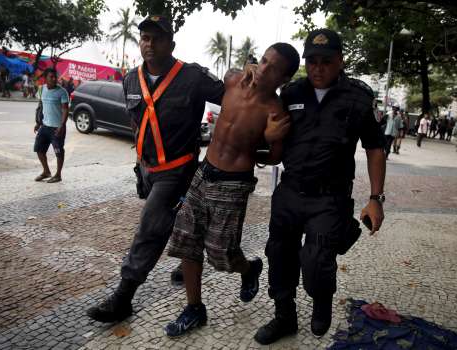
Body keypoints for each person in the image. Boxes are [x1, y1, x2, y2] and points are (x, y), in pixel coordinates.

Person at [86, 15, 225, 323]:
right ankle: (189, 258)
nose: (149, 44)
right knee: (176, 219)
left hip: (178, 169)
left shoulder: (193, 77)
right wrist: (139, 166)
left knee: (150, 228)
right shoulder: (131, 79)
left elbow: (234, 101)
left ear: (171, 44)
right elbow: (138, 125)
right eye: (145, 38)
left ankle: (124, 296)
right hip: (149, 169)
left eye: (157, 38)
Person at [253, 29, 386, 345]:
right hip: (289, 192)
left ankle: (322, 300)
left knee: (316, 262)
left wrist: (375, 198)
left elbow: (375, 147)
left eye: (326, 61)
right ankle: (284, 317)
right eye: (312, 61)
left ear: (340, 61)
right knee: (280, 256)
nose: (318, 68)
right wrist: (265, 137)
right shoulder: (292, 93)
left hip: (330, 197)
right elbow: (266, 133)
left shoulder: (358, 98)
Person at [163, 43, 299, 337]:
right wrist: (241, 69)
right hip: (204, 170)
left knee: (220, 253)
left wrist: (260, 142)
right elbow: (227, 73)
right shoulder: (235, 80)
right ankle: (194, 308)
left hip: (234, 182)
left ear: (284, 79)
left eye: (273, 68)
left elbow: (275, 157)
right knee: (187, 240)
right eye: (263, 61)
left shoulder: (275, 111)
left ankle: (249, 269)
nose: (264, 69)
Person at [33, 68, 69, 183]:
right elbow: (41, 106)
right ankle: (46, 171)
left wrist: (61, 126)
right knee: (39, 149)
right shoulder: (41, 89)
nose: (54, 79)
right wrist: (38, 122)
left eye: (55, 77)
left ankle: (58, 175)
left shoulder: (62, 92)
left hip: (56, 127)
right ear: (45, 78)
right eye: (51, 77)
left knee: (59, 152)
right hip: (44, 126)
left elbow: (65, 110)